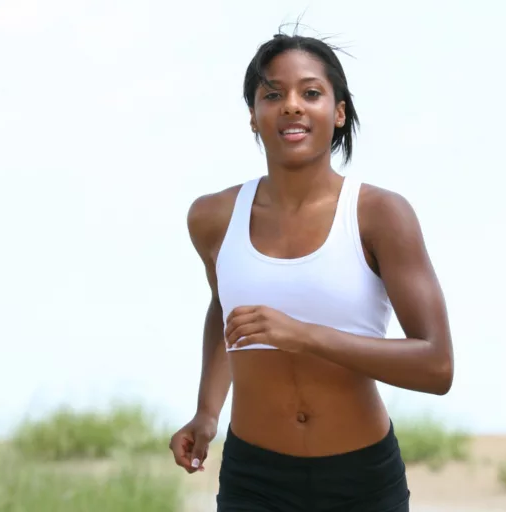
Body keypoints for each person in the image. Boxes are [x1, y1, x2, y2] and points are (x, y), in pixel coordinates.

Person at [168, 31, 454, 512]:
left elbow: (437, 366)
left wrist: (305, 335)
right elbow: (225, 311)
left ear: (338, 112)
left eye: (311, 93)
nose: (291, 106)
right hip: (253, 480)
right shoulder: (213, 218)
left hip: (360, 480)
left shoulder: (380, 214)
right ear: (254, 118)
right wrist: (206, 412)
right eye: (272, 95)